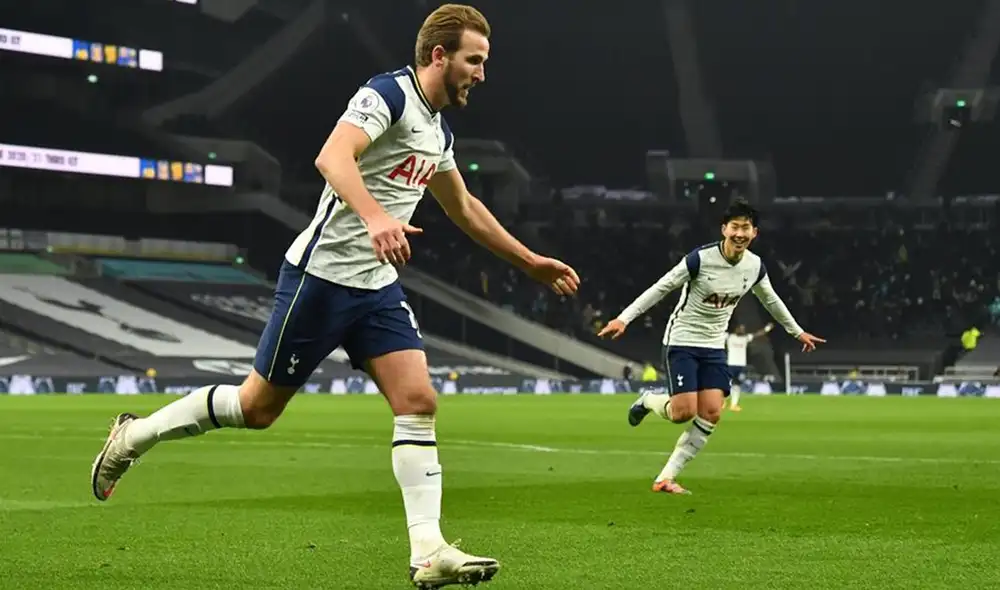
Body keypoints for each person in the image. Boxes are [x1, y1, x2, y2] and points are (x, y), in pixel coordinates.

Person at [90, 5, 580, 588]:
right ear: (439, 56)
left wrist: (530, 262)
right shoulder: (387, 95)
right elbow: (332, 156)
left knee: (419, 399)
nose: (481, 74)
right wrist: (375, 219)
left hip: (376, 289)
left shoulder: (439, 130)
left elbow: (464, 207)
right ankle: (135, 434)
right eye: (474, 61)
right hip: (320, 279)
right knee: (256, 409)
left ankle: (429, 551)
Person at [597, 200, 823, 494]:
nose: (740, 233)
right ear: (724, 230)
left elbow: (771, 300)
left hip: (714, 346)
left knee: (712, 412)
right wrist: (624, 318)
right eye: (735, 227)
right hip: (682, 341)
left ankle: (666, 478)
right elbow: (662, 286)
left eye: (746, 228)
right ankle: (649, 400)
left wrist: (797, 332)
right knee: (682, 413)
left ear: (754, 233)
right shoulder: (699, 260)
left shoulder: (755, 266)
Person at [724, 322, 774, 412]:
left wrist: (767, 329)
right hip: (730, 364)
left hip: (740, 365)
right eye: (740, 328)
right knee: (725, 384)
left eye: (743, 329)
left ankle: (733, 404)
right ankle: (721, 403)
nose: (742, 330)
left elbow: (757, 334)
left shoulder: (745, 338)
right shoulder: (729, 337)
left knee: (736, 385)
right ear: (736, 329)